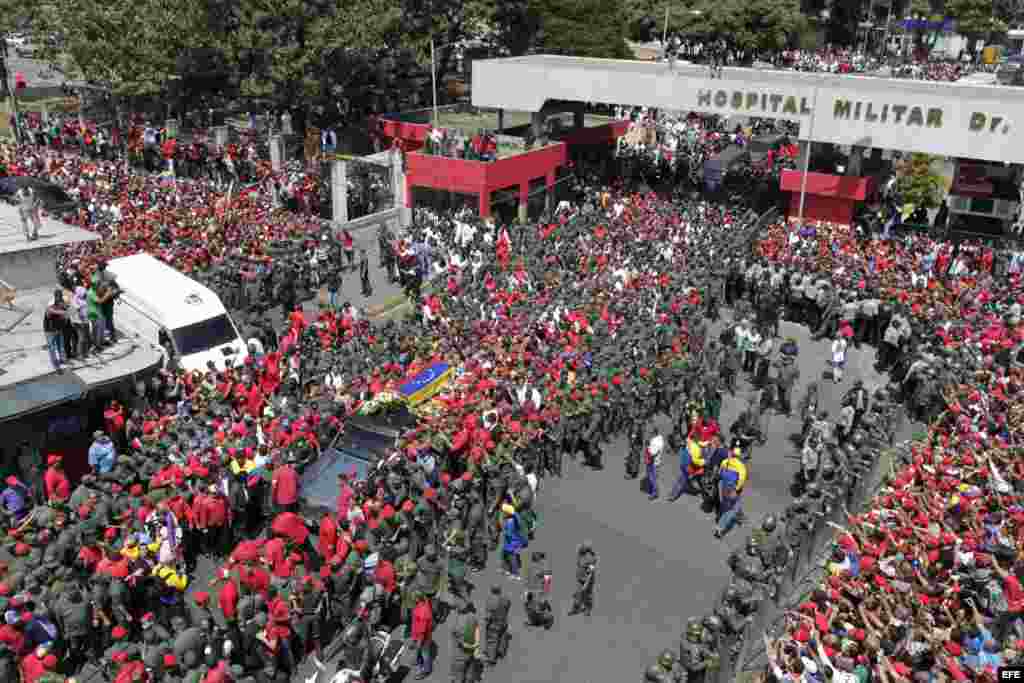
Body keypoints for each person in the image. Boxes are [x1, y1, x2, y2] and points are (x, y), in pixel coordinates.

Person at [714, 448, 747, 538]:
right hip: (732, 490)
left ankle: (720, 518)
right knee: (732, 510)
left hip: (723, 487)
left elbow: (720, 473)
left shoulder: (725, 461)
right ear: (739, 456)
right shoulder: (741, 466)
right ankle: (720, 528)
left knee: (725, 505)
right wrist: (736, 489)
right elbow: (741, 480)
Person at [484, 584, 510, 667]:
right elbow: (508, 606)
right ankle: (501, 651)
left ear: (492, 590)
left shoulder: (491, 600)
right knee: (502, 636)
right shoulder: (505, 599)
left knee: (492, 640)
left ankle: (491, 659)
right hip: (503, 622)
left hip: (494, 623)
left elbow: (488, 615)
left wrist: (487, 622)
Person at [568, 541, 597, 617]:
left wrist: (587, 583)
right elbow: (579, 565)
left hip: (588, 579)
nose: (580, 549)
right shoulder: (580, 555)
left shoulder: (590, 558)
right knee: (578, 594)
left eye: (582, 548)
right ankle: (576, 608)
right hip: (580, 578)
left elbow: (591, 572)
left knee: (587, 595)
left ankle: (588, 609)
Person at [410, 592, 434, 680]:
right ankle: (418, 661)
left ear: (417, 598)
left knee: (425, 654)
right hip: (418, 636)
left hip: (423, 638)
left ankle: (426, 670)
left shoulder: (423, 611)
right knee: (421, 652)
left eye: (413, 597)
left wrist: (418, 643)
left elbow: (422, 632)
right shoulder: (421, 604)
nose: (411, 598)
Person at [43, 289, 68, 371]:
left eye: (61, 297)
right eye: (58, 297)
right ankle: (55, 363)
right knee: (52, 347)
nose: (60, 300)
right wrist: (60, 312)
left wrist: (64, 313)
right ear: (55, 297)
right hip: (50, 330)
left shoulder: (62, 303)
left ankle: (62, 359)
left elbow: (65, 311)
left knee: (60, 346)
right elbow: (49, 311)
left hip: (58, 328)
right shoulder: (51, 304)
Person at [500, 504, 525, 580]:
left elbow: (509, 534)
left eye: (504, 512)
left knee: (512, 558)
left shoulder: (510, 521)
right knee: (506, 554)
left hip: (511, 543)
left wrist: (504, 531)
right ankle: (506, 569)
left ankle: (515, 574)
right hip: (515, 541)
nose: (503, 513)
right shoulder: (515, 517)